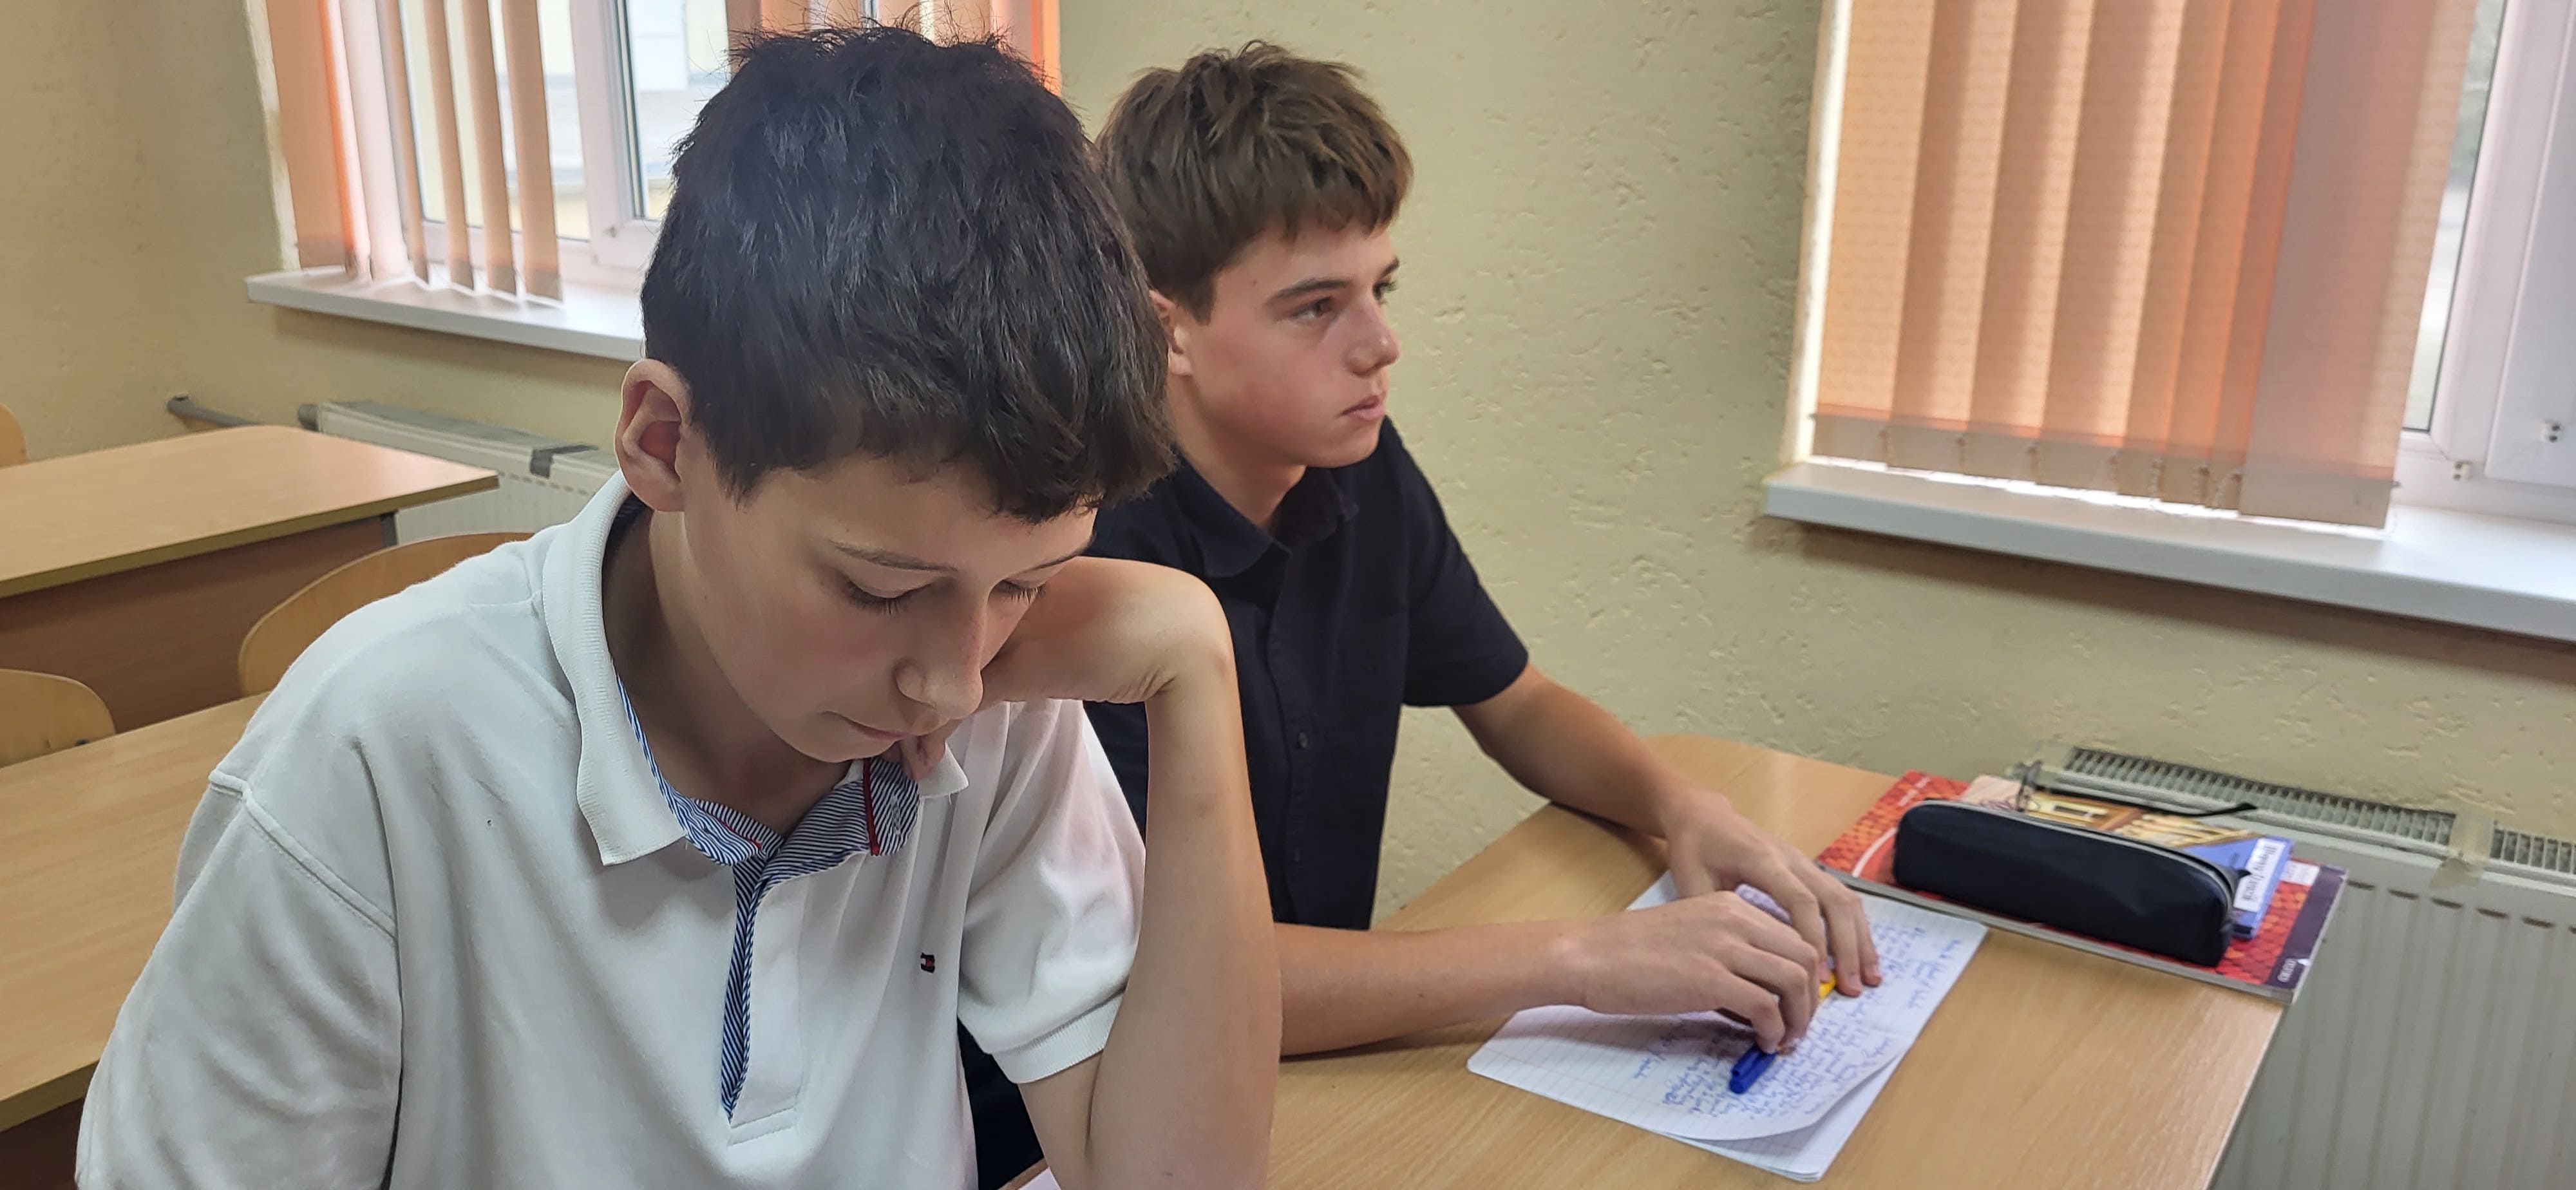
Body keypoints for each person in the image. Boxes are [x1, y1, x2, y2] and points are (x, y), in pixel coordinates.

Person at [79, 27, 1276, 1190]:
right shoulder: (378, 755)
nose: (954, 682)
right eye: (880, 589)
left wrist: (1196, 671)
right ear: (665, 444)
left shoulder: (993, 700)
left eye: (1027, 582)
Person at [958, 42, 1888, 1178]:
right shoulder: (1083, 563)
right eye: (1316, 307)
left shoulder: (1355, 467)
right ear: (1169, 333)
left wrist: (1682, 806)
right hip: (1079, 1133)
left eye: (1380, 290)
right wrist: (1579, 960)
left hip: (1311, 1075)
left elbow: (1517, 700)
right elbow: (1174, 979)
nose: (1381, 344)